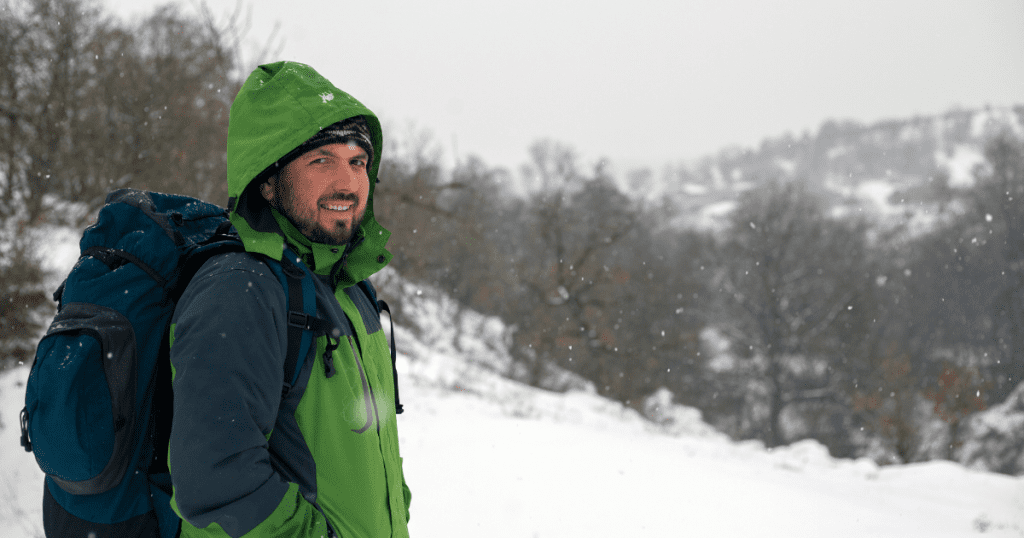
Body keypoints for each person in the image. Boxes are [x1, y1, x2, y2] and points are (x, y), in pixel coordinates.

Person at [167, 61, 411, 538]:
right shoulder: (241, 289)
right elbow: (216, 479)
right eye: (321, 160)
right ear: (267, 180)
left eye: (358, 161)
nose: (347, 182)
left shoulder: (351, 293)